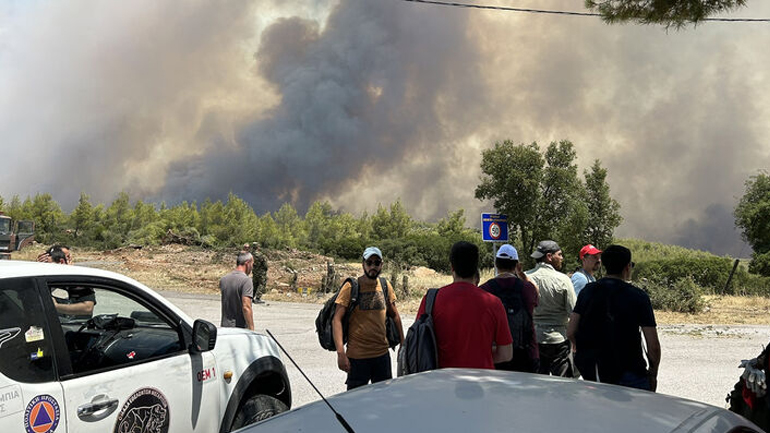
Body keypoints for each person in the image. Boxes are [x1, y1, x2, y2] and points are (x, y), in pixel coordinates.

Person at [567, 245, 661, 391]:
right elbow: (653, 345)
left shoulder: (588, 291)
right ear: (627, 267)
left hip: (597, 370)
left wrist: (585, 356)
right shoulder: (638, 296)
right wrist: (652, 375)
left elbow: (571, 331)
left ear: (604, 266)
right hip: (631, 371)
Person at [415, 241, 512, 369]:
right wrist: (482, 357)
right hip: (481, 381)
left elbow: (418, 344)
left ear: (452, 268)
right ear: (476, 268)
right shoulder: (493, 303)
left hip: (441, 381)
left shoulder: (431, 300)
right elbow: (506, 354)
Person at [333, 247, 405, 390]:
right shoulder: (351, 287)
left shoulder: (385, 286)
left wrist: (403, 344)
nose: (373, 266)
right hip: (357, 358)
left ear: (381, 265)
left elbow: (395, 315)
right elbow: (337, 320)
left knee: (383, 401)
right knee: (355, 403)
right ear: (363, 264)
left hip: (382, 357)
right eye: (369, 262)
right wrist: (341, 353)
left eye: (376, 263)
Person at [480, 244, 539, 373]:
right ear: (517, 265)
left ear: (496, 264)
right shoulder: (527, 288)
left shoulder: (484, 290)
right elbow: (535, 302)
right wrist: (522, 275)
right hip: (525, 354)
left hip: (496, 354)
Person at [526, 240, 577, 377]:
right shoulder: (563, 280)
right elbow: (573, 311)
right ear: (549, 256)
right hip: (558, 340)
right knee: (562, 386)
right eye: (559, 255)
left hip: (534, 339)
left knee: (536, 383)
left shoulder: (526, 278)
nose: (562, 258)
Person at [49, 247, 96, 319]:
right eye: (67, 257)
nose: (69, 260)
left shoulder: (78, 280)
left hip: (74, 327)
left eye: (68, 257)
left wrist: (56, 307)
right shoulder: (42, 279)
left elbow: (87, 308)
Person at [220, 251, 255, 330]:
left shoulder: (224, 279)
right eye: (252, 264)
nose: (252, 267)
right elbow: (246, 306)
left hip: (225, 327)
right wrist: (251, 329)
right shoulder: (246, 281)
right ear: (247, 263)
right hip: (239, 329)